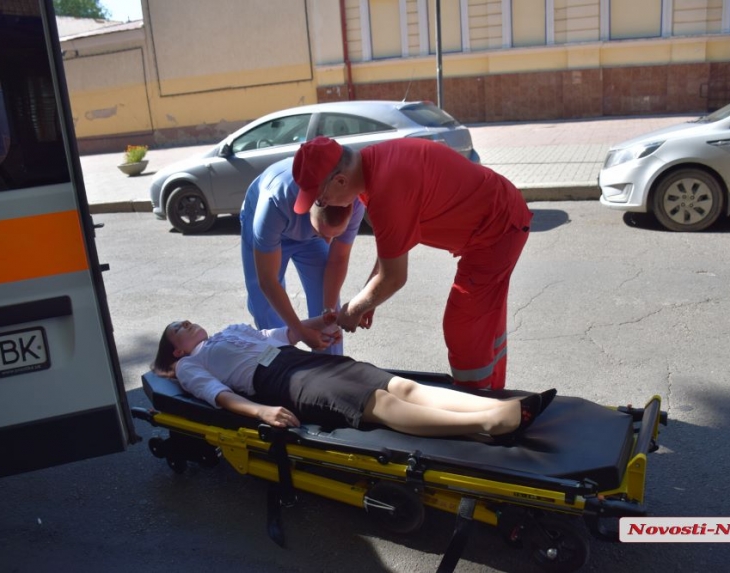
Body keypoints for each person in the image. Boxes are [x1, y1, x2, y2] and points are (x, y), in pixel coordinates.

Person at [291, 136, 533, 391]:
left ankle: (479, 406)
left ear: (340, 181)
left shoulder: (386, 188)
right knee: (484, 321)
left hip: (497, 230)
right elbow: (391, 249)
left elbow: (394, 277)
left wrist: (353, 310)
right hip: (494, 219)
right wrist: (368, 298)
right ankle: (492, 391)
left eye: (320, 199)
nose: (323, 204)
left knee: (464, 327)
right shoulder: (371, 166)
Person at [152, 318, 555, 440]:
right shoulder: (191, 364)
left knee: (401, 386)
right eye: (178, 328)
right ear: (176, 350)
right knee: (380, 405)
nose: (186, 323)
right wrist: (260, 411)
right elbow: (216, 395)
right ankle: (485, 424)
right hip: (279, 381)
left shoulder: (231, 330)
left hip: (299, 358)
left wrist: (325, 321)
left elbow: (286, 333)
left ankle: (501, 408)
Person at [240, 157, 364, 354]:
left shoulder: (354, 202)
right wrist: (300, 332)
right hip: (272, 226)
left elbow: (338, 259)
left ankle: (332, 369)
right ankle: (281, 363)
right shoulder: (274, 201)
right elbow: (267, 280)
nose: (329, 242)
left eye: (334, 236)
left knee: (326, 298)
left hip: (309, 229)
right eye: (323, 234)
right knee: (264, 306)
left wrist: (328, 314)